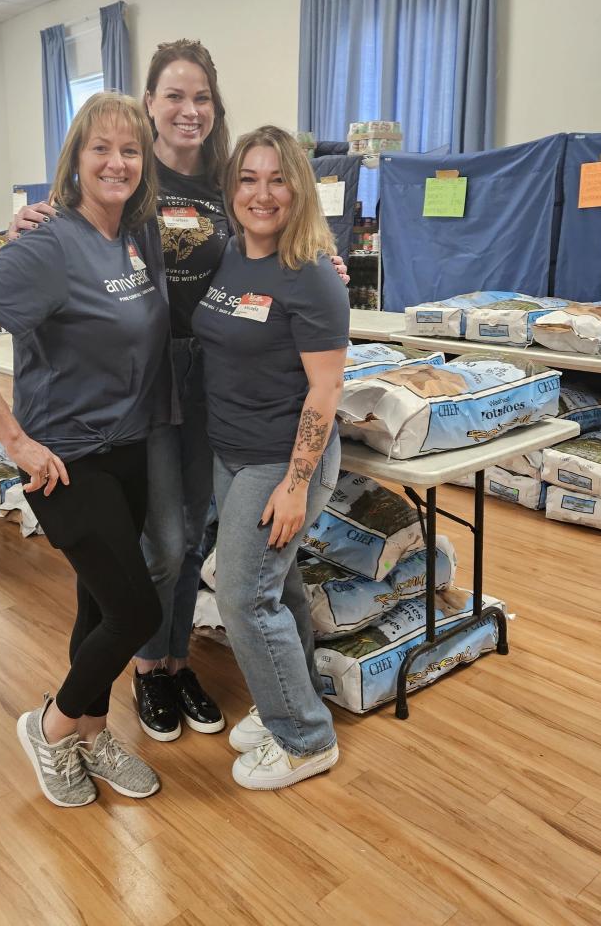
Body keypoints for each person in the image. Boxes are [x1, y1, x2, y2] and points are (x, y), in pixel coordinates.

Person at [10, 40, 349, 745]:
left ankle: (178, 657)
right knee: (163, 541)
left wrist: (321, 257)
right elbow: (77, 225)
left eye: (200, 97)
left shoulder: (231, 181)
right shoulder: (130, 175)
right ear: (149, 104)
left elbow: (278, 235)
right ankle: (149, 667)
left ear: (214, 107)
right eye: (173, 95)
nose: (187, 110)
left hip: (221, 372)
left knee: (198, 532)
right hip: (148, 369)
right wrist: (29, 222)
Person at [0, 93, 176, 808]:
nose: (116, 162)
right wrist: (13, 441)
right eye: (101, 148)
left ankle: (94, 735)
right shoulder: (46, 243)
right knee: (135, 616)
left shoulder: (133, 234)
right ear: (75, 158)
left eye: (130, 150)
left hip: (126, 448)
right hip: (65, 458)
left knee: (98, 607)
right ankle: (50, 726)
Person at [190, 126, 350, 790]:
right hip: (229, 454)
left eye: (276, 179)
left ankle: (305, 737)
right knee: (275, 587)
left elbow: (326, 389)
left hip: (279, 461)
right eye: (247, 179)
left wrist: (294, 483)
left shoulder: (310, 275)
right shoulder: (224, 256)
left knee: (240, 596)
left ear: (298, 188)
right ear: (230, 190)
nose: (261, 193)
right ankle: (287, 697)